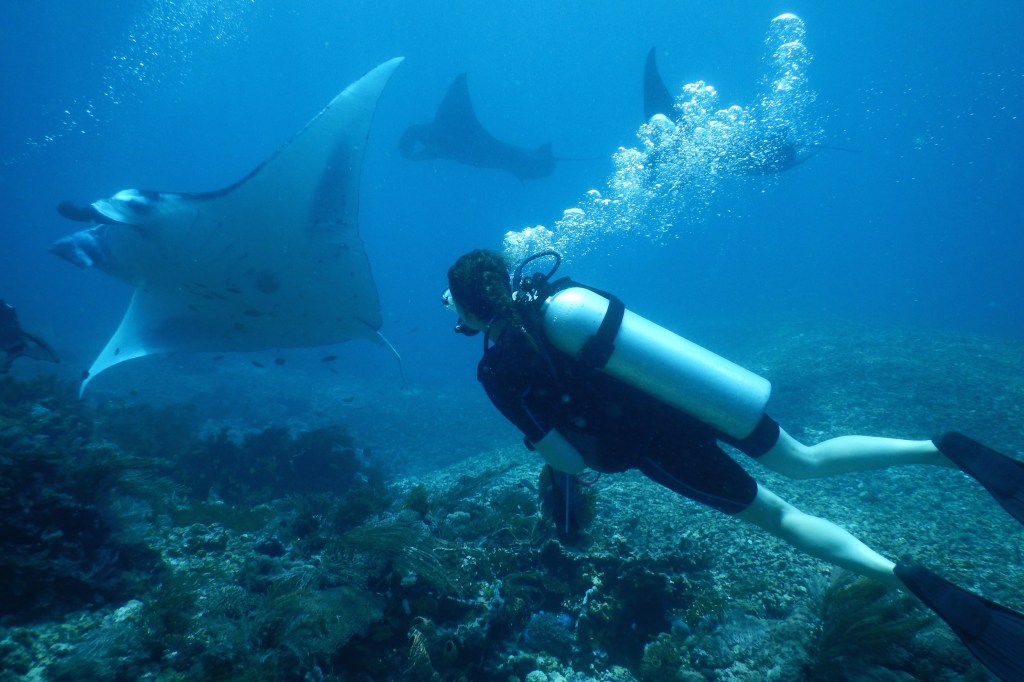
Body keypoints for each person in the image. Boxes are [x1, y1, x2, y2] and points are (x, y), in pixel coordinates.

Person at [444, 248, 1024, 681]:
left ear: (471, 308)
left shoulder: (497, 368)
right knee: (805, 459)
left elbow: (565, 458)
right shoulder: (564, 296)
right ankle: (942, 449)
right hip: (700, 397)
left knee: (780, 516)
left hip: (658, 446)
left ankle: (910, 579)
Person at [0, 299, 59, 374]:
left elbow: (12, 312)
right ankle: (9, 360)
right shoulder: (6, 306)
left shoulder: (6, 307)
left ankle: (7, 361)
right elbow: (13, 312)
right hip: (16, 334)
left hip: (10, 336)